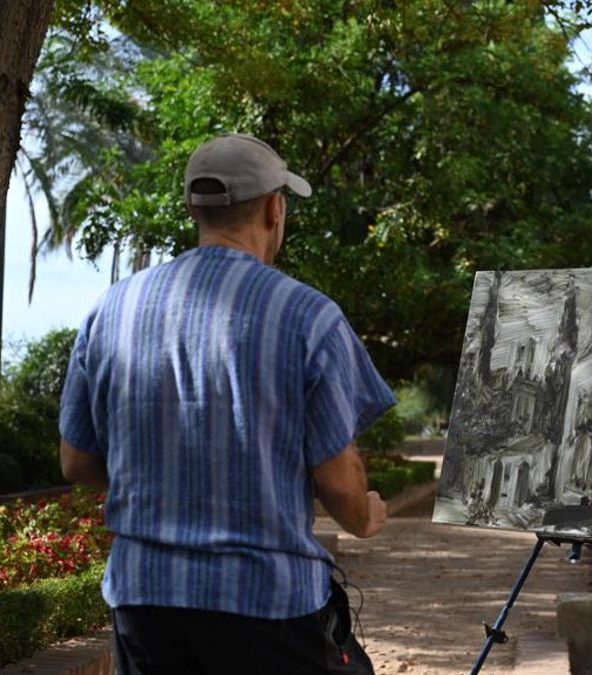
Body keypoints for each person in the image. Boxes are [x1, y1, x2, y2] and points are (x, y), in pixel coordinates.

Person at [58, 134, 396, 674]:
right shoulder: (308, 317)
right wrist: (365, 516)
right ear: (274, 207)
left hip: (145, 601)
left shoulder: (112, 309)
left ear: (194, 209)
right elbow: (337, 483)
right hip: (266, 603)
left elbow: (76, 462)